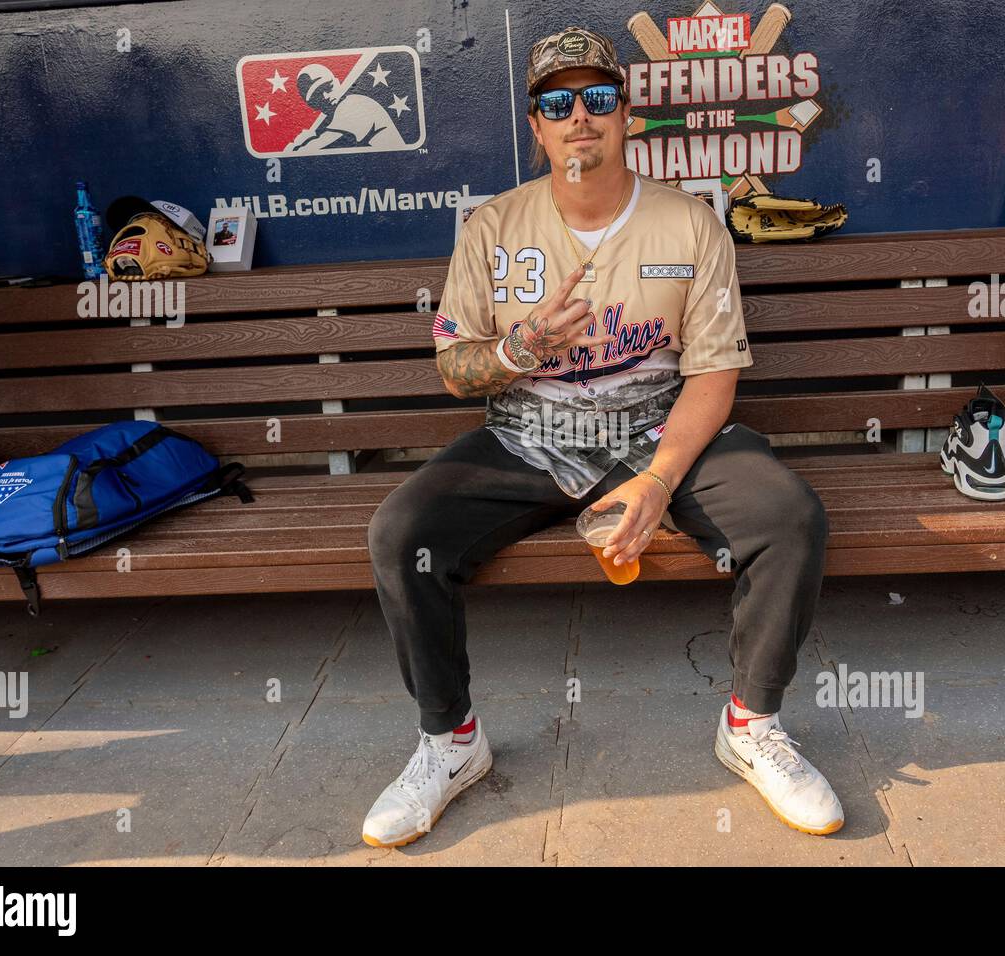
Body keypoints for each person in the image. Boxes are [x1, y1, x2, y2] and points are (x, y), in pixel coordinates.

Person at [362, 25, 841, 848]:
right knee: (402, 533)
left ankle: (751, 724)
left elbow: (714, 373)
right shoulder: (491, 226)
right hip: (529, 432)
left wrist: (657, 480)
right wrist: (522, 349)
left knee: (788, 516)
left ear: (626, 113)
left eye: (596, 97)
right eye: (556, 102)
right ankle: (451, 743)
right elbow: (455, 368)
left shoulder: (690, 222)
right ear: (537, 126)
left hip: (654, 425)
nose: (578, 115)